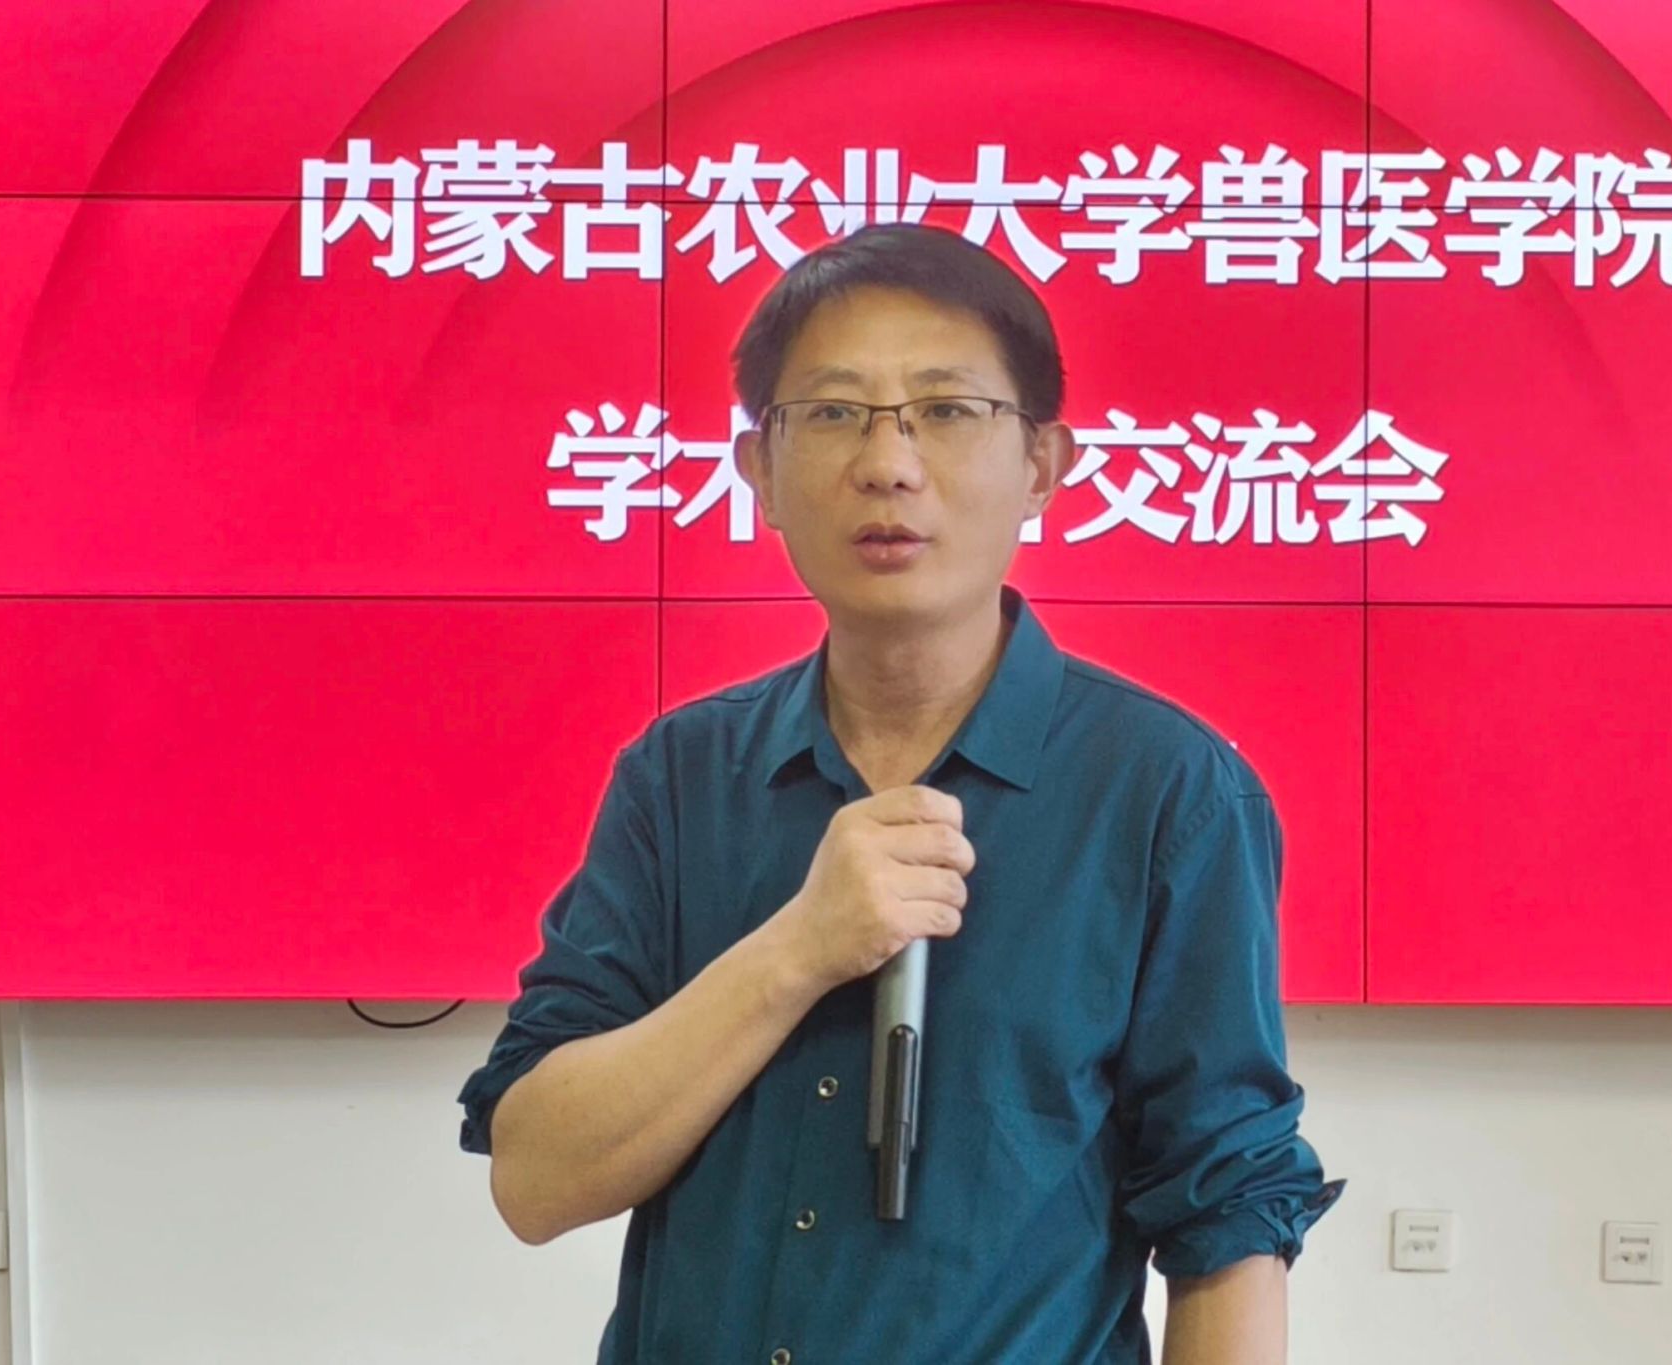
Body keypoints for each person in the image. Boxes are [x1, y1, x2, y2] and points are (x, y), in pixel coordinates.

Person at [456, 222, 1343, 1364]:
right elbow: (535, 1179)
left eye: (946, 408)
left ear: (1042, 466)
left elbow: (1226, 1213)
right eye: (833, 412)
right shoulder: (681, 777)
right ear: (760, 472)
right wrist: (798, 949)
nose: (888, 463)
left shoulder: (1167, 792)